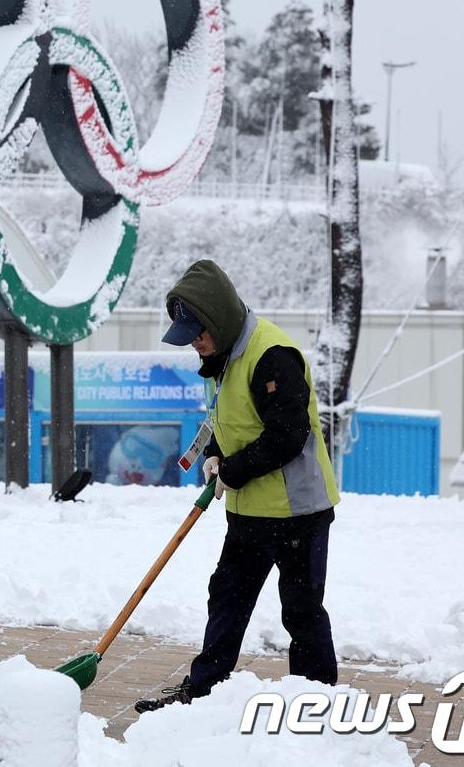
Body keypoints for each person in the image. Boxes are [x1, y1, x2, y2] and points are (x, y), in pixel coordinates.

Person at [135, 259, 340, 712]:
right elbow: (239, 422)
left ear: (219, 320)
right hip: (250, 511)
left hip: (298, 513)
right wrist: (218, 456)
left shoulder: (273, 355)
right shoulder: (223, 356)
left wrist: (234, 470)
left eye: (198, 334)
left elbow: (287, 435)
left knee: (301, 610)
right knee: (226, 597)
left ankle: (316, 702)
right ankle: (204, 692)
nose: (195, 344)